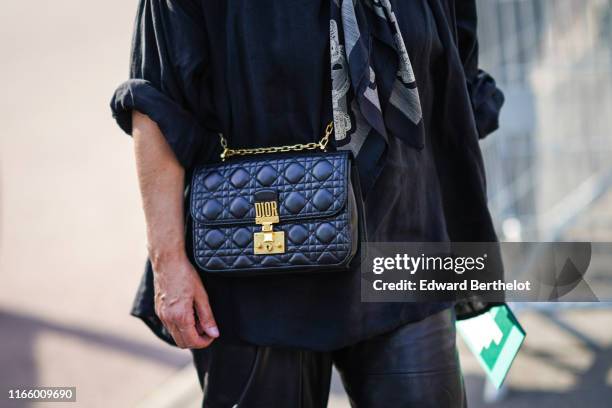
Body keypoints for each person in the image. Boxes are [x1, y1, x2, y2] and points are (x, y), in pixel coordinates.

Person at [110, 0, 504, 406]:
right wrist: (169, 263)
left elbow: (453, 69)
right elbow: (156, 105)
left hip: (405, 248)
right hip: (258, 267)